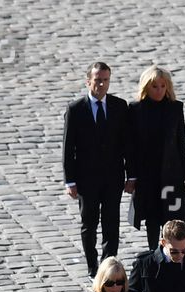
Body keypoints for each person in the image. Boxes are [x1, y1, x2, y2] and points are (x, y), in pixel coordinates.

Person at [62, 63, 135, 274]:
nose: (101, 84)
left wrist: (131, 176)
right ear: (88, 81)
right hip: (86, 179)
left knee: (111, 223)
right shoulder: (76, 109)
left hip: (113, 177)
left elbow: (127, 145)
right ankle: (92, 266)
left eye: (105, 80)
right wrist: (70, 181)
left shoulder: (119, 106)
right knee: (89, 224)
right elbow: (68, 148)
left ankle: (108, 264)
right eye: (97, 80)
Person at [127, 66, 185, 250]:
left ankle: (173, 250)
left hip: (172, 174)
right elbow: (130, 147)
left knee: (172, 217)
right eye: (155, 86)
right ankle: (153, 251)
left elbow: (181, 144)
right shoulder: (136, 109)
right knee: (152, 218)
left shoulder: (175, 108)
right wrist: (131, 176)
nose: (159, 90)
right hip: (147, 175)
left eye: (163, 86)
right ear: (146, 87)